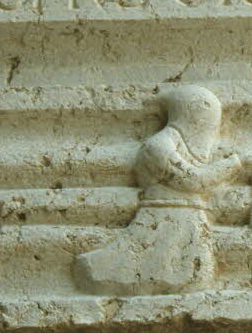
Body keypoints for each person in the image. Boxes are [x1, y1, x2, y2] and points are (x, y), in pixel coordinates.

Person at [77, 85, 243, 294]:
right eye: (209, 119)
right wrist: (231, 165)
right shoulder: (158, 146)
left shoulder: (179, 144)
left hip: (189, 218)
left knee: (194, 274)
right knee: (156, 267)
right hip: (164, 216)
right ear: (195, 115)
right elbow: (193, 181)